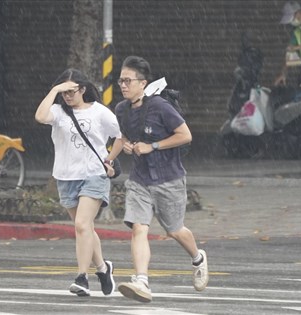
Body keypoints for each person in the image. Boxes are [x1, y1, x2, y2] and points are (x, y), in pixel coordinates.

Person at [114, 56, 209, 303]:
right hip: (139, 180)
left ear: (142, 83)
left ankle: (198, 258)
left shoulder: (160, 107)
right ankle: (141, 280)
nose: (123, 85)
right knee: (138, 228)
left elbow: (185, 135)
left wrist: (153, 146)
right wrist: (124, 146)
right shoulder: (121, 109)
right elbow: (123, 136)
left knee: (175, 230)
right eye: (120, 80)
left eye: (128, 80)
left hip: (169, 179)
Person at [35, 68, 122, 297]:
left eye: (71, 91)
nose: (67, 96)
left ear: (82, 90)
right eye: (64, 92)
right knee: (85, 229)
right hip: (65, 176)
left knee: (82, 225)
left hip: (94, 173)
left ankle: (82, 277)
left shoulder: (99, 112)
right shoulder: (57, 112)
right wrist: (54, 90)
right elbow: (40, 117)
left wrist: (110, 159)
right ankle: (103, 268)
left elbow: (122, 135)